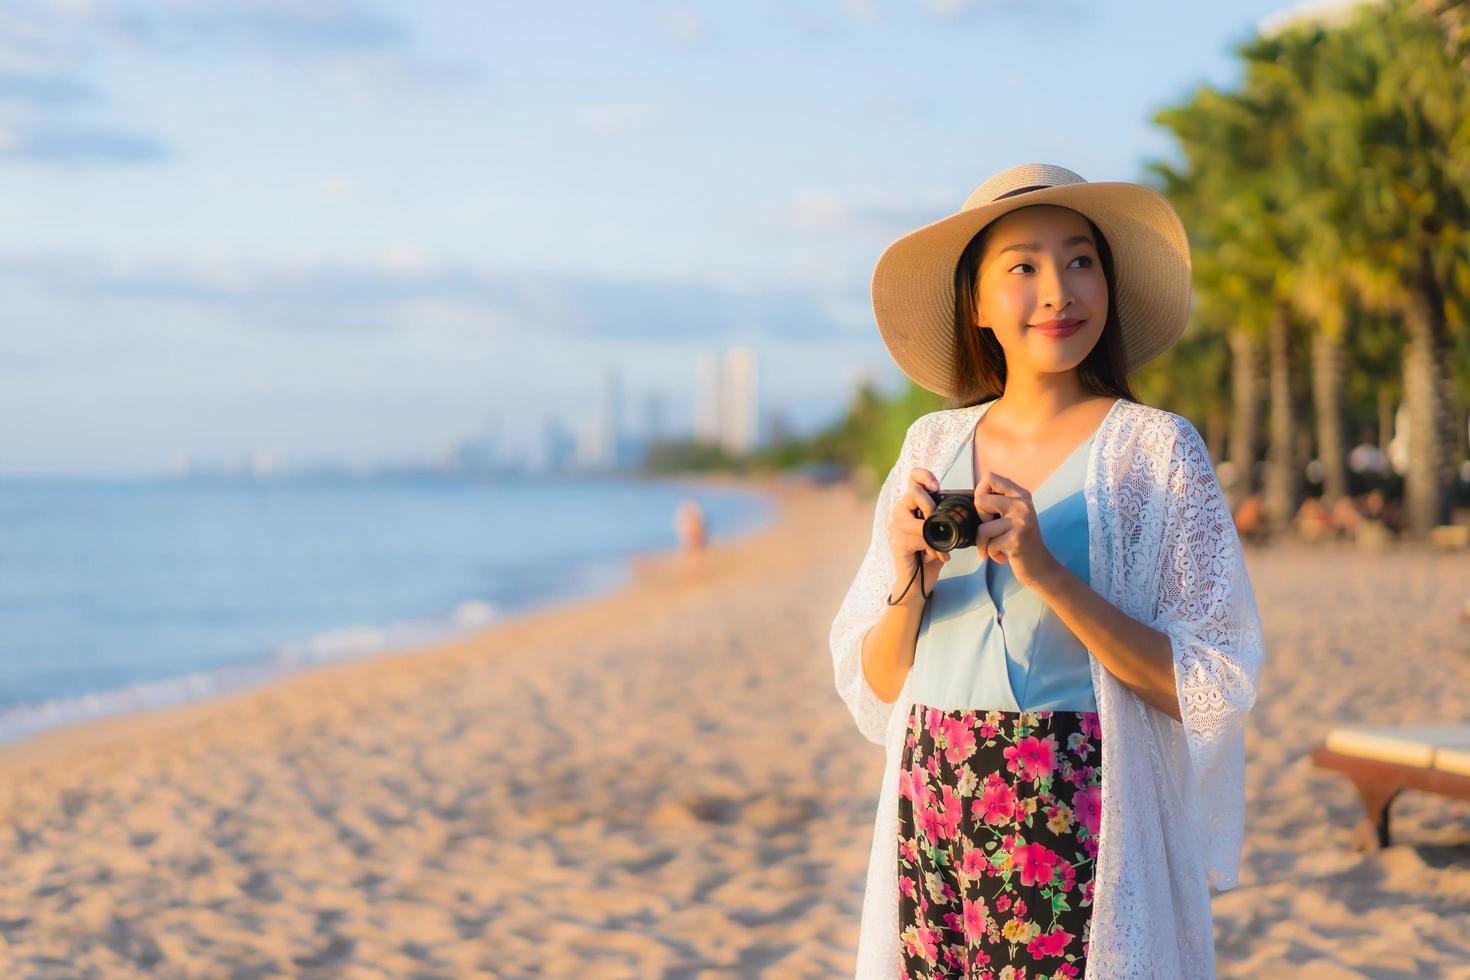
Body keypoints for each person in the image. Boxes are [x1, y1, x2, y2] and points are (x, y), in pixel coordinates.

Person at [829, 163, 1267, 978]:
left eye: (1080, 261)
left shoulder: (1156, 449)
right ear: (978, 304)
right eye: (1023, 267)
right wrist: (910, 574)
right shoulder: (931, 445)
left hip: (1076, 805)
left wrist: (1047, 572)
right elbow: (882, 682)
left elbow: (1208, 681)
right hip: (932, 803)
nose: (1059, 291)